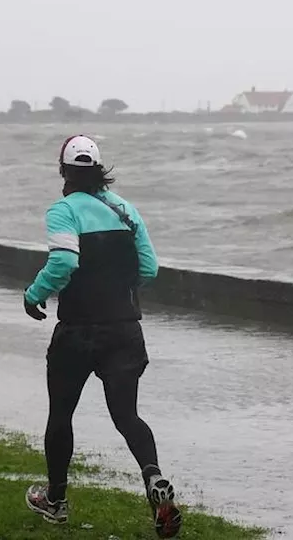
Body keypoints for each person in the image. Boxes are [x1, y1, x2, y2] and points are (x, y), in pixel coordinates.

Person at [22, 134, 183, 538]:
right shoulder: (126, 210)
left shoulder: (63, 211)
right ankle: (153, 478)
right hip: (125, 330)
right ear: (99, 170)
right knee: (127, 415)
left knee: (61, 415)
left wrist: (34, 294)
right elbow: (149, 268)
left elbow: (62, 263)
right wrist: (119, 293)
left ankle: (55, 502)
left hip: (76, 332)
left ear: (63, 170)